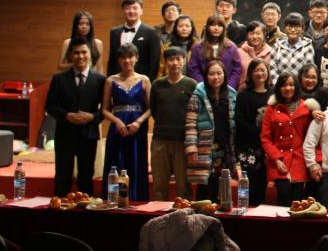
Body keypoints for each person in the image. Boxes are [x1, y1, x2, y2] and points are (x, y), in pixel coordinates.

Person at [46, 38, 105, 196]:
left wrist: (92, 116)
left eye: (84, 52)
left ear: (90, 54)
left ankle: (84, 208)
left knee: (86, 177)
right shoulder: (59, 79)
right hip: (65, 133)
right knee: (62, 176)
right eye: (76, 53)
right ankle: (59, 207)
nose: (80, 56)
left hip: (88, 134)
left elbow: (106, 110)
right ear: (70, 56)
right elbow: (50, 106)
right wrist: (66, 115)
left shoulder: (100, 80)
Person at [102, 43, 152, 202]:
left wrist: (139, 122)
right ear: (118, 60)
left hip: (137, 128)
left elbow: (151, 108)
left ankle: (137, 200)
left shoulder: (144, 80)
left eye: (130, 57)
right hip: (117, 128)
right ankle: (114, 200)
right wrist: (116, 121)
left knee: (136, 162)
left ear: (137, 58)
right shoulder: (111, 80)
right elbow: (104, 110)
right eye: (123, 57)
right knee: (116, 162)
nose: (127, 60)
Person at [262, 72, 319, 206]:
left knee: (298, 202)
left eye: (291, 85)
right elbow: (265, 138)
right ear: (279, 88)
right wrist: (276, 159)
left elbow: (311, 137)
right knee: (284, 196)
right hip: (279, 160)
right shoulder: (271, 109)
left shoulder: (306, 108)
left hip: (299, 160)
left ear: (296, 87)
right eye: (284, 85)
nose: (288, 88)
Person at [149, 46, 197, 201]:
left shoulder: (192, 85)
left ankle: (184, 215)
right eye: (171, 59)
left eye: (178, 59)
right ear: (165, 62)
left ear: (184, 61)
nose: (175, 63)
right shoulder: (157, 85)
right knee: (159, 186)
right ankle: (158, 214)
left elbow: (195, 112)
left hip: (182, 141)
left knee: (184, 187)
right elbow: (154, 110)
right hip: (160, 140)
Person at [185, 60, 238, 200]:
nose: (216, 77)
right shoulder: (198, 95)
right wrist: (191, 147)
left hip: (224, 147)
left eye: (219, 73)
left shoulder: (232, 94)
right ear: (206, 76)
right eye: (212, 74)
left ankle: (218, 213)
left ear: (224, 75)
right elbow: (190, 123)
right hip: (205, 146)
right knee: (204, 186)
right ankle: (200, 212)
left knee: (221, 186)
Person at [235, 58, 272, 206]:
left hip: (267, 148)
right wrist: (260, 134)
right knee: (249, 184)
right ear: (250, 74)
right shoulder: (243, 95)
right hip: (249, 147)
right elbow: (240, 121)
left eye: (263, 70)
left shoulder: (273, 95)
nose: (260, 73)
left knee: (262, 184)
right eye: (256, 70)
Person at [107, 0, 161, 79]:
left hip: (141, 80)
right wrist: (109, 79)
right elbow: (112, 59)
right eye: (127, 8)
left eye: (135, 8)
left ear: (141, 11)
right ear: (123, 11)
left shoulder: (151, 32)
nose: (131, 11)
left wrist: (150, 82)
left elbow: (154, 61)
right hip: (118, 80)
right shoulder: (114, 32)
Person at [188, 14, 243, 90]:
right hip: (203, 89)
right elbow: (193, 68)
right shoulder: (197, 47)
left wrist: (229, 86)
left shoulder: (231, 47)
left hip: (226, 89)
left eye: (220, 25)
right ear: (207, 27)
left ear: (224, 28)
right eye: (213, 25)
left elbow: (237, 69)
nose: (216, 28)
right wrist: (203, 86)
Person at [270, 12, 316, 79]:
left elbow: (308, 72)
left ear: (302, 29)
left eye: (296, 26)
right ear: (284, 28)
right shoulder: (277, 46)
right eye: (289, 26)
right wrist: (278, 84)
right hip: (280, 85)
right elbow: (272, 69)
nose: (293, 30)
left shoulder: (308, 47)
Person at [238, 21, 273, 90]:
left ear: (264, 34)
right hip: (242, 92)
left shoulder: (271, 53)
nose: (255, 37)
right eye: (251, 34)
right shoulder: (239, 52)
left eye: (258, 33)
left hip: (265, 92)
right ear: (247, 35)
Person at [160, 14, 197, 79]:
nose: (184, 29)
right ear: (175, 28)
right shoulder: (167, 46)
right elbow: (161, 67)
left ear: (192, 28)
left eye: (187, 26)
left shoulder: (197, 45)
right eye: (180, 26)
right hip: (171, 80)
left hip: (193, 81)